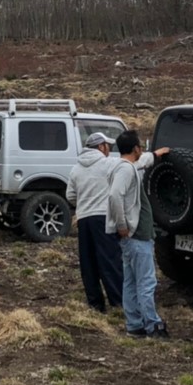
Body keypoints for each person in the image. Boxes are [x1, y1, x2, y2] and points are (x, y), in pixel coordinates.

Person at [106, 130, 172, 338]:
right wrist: (122, 224)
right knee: (146, 281)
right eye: (140, 147)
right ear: (135, 148)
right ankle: (153, 325)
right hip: (136, 235)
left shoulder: (124, 165)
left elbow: (140, 162)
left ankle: (134, 324)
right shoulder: (126, 170)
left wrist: (155, 154)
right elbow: (115, 195)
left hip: (132, 236)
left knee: (131, 281)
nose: (141, 150)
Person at [65, 131, 122, 312]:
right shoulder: (109, 164)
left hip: (84, 219)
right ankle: (118, 301)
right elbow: (131, 166)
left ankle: (95, 304)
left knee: (88, 262)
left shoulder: (76, 168)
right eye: (108, 146)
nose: (109, 150)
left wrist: (83, 203)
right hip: (103, 217)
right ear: (101, 147)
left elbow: (70, 195)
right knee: (109, 259)